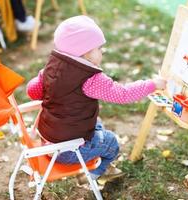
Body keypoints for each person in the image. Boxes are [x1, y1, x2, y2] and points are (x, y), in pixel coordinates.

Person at [26, 15, 167, 181]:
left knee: (97, 123)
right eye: (99, 48)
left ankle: (94, 163)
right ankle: (94, 173)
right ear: (85, 54)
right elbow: (123, 94)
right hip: (69, 151)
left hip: (48, 139)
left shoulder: (51, 68)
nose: (103, 52)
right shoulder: (90, 79)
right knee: (111, 143)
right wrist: (152, 85)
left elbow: (32, 90)